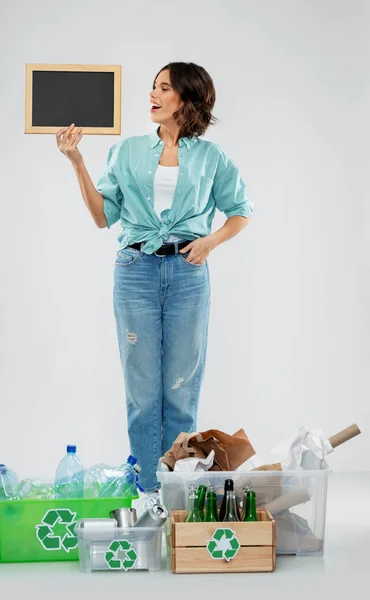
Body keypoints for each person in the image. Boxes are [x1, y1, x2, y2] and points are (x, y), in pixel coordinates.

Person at [56, 62, 253, 510]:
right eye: (153, 86)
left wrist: (211, 242)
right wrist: (77, 161)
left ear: (186, 98)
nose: (153, 94)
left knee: (181, 387)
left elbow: (240, 210)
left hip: (188, 273)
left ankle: (176, 492)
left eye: (164, 88)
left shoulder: (212, 158)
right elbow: (102, 216)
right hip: (135, 271)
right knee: (142, 390)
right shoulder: (126, 152)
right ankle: (147, 495)